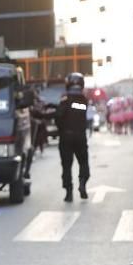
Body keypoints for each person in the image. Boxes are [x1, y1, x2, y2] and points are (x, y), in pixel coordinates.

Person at [54, 72, 91, 202]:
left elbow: (58, 116)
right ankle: (82, 184)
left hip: (66, 137)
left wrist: (60, 129)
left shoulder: (65, 99)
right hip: (80, 136)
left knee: (67, 165)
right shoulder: (84, 100)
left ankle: (69, 192)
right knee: (83, 162)